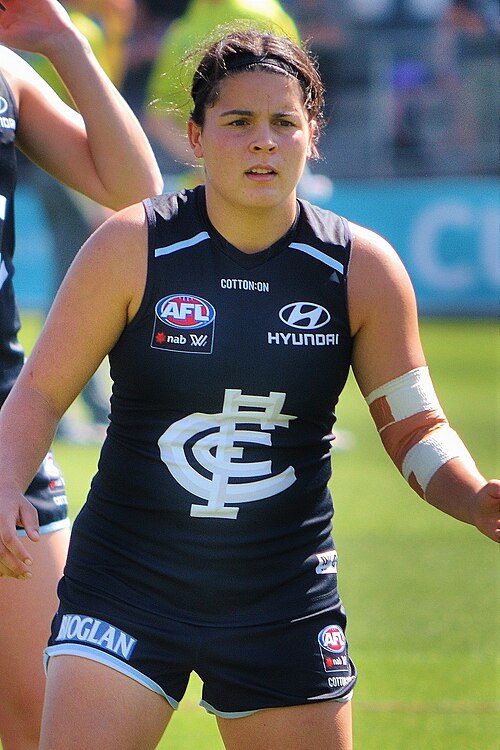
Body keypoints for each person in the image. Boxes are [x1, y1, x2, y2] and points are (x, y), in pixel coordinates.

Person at [0, 27, 498, 750]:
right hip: (126, 584)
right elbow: (40, 394)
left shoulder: (362, 269)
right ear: (196, 136)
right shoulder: (132, 246)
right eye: (238, 122)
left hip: (282, 598)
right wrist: (7, 479)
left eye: (283, 123)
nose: (263, 142)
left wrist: (472, 492)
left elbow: (416, 430)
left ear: (311, 136)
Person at [0, 0, 163, 747]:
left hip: (5, 428)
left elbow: (135, 190)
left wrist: (63, 45)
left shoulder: (8, 75)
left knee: (40, 710)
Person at [144, 0, 300, 186]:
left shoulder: (260, 14)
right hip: (204, 186)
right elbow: (158, 115)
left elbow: (292, 100)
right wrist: (208, 161)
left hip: (265, 182)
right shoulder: (185, 23)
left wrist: (214, 160)